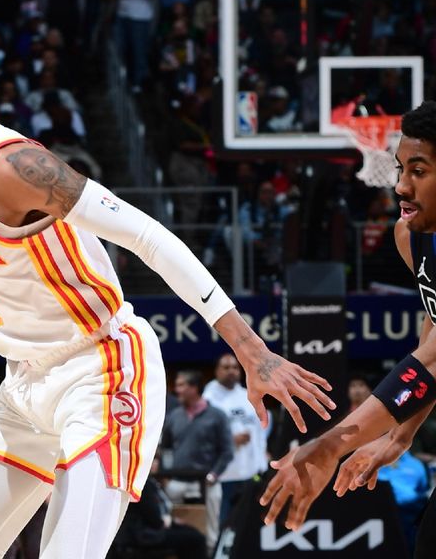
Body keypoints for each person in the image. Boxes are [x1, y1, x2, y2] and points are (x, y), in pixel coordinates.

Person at [0, 36, 333, 558]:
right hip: (22, 386)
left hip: (102, 368)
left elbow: (146, 236)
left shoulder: (13, 168)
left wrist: (250, 349)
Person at [261, 101, 436, 555]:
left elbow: (433, 360)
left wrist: (328, 447)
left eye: (419, 170)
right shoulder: (411, 236)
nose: (401, 185)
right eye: (400, 168)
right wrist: (398, 435)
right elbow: (431, 332)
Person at [164, 370, 232, 552]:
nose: (177, 390)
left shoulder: (217, 415)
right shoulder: (174, 416)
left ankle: (211, 554)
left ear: (194, 388)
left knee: (211, 531)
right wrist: (164, 473)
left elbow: (227, 452)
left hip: (207, 481)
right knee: (167, 523)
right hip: (177, 481)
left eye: (181, 385)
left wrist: (214, 475)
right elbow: (165, 447)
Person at [203, 353, 268, 526]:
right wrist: (229, 440)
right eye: (226, 367)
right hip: (223, 474)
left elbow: (261, 430)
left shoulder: (248, 395)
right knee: (223, 522)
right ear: (216, 371)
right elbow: (203, 435)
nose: (231, 371)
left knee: (248, 521)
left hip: (249, 471)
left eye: (234, 367)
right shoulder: (209, 398)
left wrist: (262, 460)